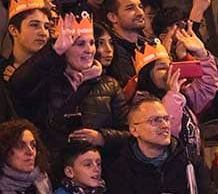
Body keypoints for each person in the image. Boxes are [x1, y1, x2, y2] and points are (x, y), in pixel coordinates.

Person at [7, 13, 130, 157]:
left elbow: (130, 133)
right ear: (64, 48)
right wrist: (55, 51)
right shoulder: (48, 81)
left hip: (99, 167)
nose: (89, 50)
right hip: (53, 165)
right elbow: (17, 84)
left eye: (91, 43)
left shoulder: (110, 85)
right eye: (80, 44)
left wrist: (102, 137)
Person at [133, 32, 218, 159]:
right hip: (172, 168)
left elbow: (207, 87)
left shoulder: (181, 94)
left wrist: (202, 55)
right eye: (162, 68)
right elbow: (168, 131)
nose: (169, 72)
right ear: (147, 76)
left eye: (170, 66)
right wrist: (172, 94)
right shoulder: (142, 104)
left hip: (194, 164)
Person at [103, 0, 150, 84]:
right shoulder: (111, 51)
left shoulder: (149, 44)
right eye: (130, 8)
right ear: (113, 17)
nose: (140, 13)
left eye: (140, 7)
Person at [3, 0, 50, 82]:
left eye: (46, 27)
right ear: (14, 30)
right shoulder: (3, 72)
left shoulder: (56, 72)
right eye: (34, 25)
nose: (43, 33)